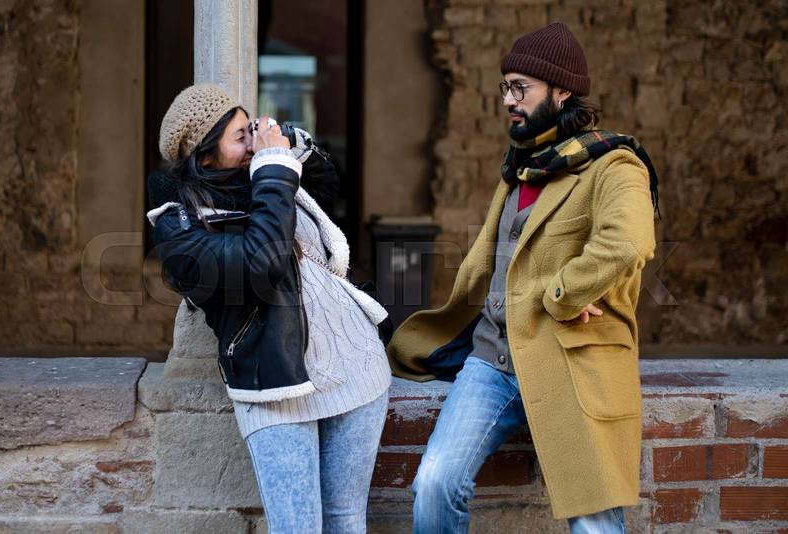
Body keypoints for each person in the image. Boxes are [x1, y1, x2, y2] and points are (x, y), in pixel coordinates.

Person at [388, 23, 659, 533]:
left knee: (594, 519)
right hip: (493, 360)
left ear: (562, 91)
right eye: (505, 88)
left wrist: (562, 294)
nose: (509, 100)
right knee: (435, 483)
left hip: (572, 358)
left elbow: (628, 242)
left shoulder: (615, 165)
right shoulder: (522, 166)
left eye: (521, 88)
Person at [147, 84, 392, 533]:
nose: (255, 142)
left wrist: (293, 146)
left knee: (345, 520)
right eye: (241, 135)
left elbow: (327, 185)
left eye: (253, 127)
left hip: (357, 369)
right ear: (205, 156)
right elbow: (265, 262)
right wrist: (273, 165)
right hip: (277, 387)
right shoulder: (179, 227)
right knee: (297, 527)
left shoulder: (264, 177)